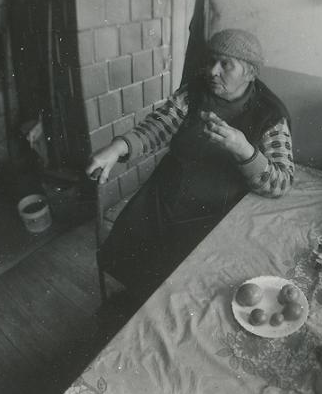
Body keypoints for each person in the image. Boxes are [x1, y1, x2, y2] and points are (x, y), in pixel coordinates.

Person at [87, 29, 297, 318]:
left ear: (250, 72)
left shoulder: (270, 114)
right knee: (134, 248)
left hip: (215, 209)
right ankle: (135, 307)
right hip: (166, 193)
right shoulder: (194, 92)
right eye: (211, 61)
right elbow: (159, 126)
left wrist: (245, 150)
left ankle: (167, 316)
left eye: (225, 64)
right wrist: (118, 147)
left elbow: (281, 182)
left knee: (188, 280)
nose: (212, 71)